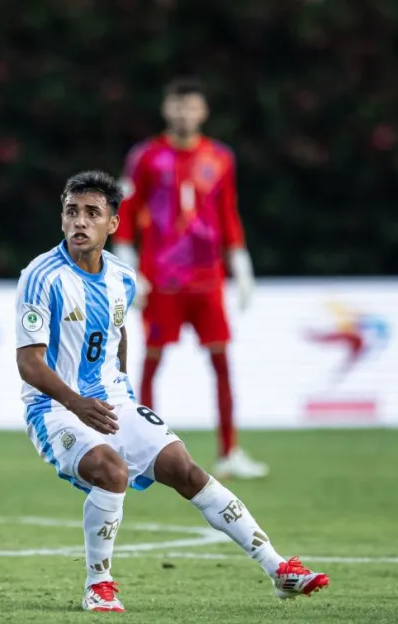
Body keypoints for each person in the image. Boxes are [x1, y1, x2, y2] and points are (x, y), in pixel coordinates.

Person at [14, 170, 328, 612]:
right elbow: (28, 363)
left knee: (185, 469)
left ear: (113, 224)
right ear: (61, 219)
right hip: (55, 408)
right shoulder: (41, 276)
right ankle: (98, 585)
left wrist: (119, 391)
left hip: (108, 400)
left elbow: (118, 334)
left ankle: (279, 569)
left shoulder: (123, 278)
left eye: (91, 213)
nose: (79, 222)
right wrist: (77, 403)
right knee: (110, 471)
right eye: (71, 212)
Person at [112, 78, 267, 479]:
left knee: (221, 361)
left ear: (203, 112)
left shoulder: (219, 157)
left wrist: (240, 262)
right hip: (162, 277)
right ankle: (142, 450)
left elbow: (227, 212)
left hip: (207, 278)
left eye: (191, 107)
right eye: (178, 106)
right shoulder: (147, 157)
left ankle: (230, 451)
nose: (184, 113)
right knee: (150, 362)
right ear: (167, 110)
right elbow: (126, 213)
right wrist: (129, 269)